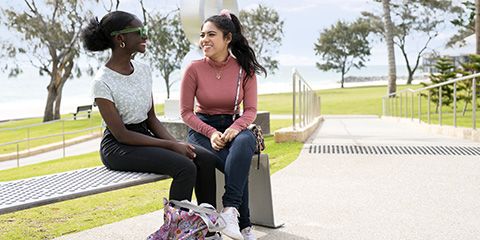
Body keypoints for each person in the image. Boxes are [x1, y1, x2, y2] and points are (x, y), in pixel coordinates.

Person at [81, 11, 220, 224]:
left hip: (144, 136)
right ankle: (176, 232)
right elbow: (122, 134)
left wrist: (177, 144)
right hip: (119, 147)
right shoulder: (102, 81)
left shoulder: (143, 70)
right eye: (140, 32)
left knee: (205, 158)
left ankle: (208, 226)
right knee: (185, 167)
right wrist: (172, 147)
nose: (146, 37)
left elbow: (152, 119)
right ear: (121, 39)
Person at [180, 9, 266, 240]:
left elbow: (250, 110)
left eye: (211, 34)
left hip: (233, 125)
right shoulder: (193, 69)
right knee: (236, 163)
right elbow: (186, 113)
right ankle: (243, 225)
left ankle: (228, 212)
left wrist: (236, 128)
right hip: (201, 129)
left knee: (245, 142)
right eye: (202, 35)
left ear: (227, 38)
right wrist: (210, 133)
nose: (204, 40)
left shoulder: (244, 69)